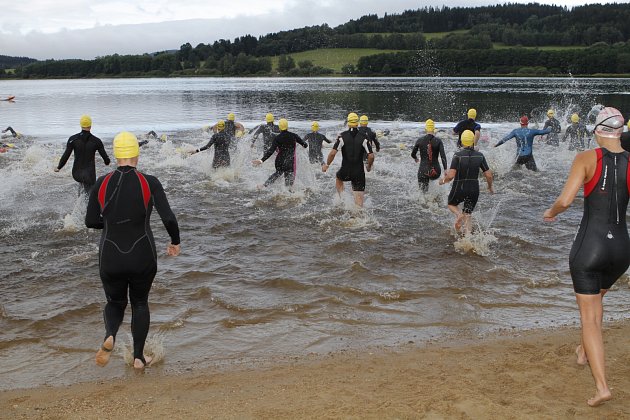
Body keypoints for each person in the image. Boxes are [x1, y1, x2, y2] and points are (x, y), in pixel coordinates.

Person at [543, 107, 628, 407]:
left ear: (597, 130)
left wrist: (550, 212)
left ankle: (602, 386)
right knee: (596, 299)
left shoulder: (585, 158)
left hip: (589, 249)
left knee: (590, 318)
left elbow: (565, 200)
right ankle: (582, 351)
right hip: (621, 251)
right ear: (620, 130)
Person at [85, 131, 180, 370]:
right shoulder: (150, 182)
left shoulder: (102, 183)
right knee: (139, 303)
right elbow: (168, 217)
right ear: (136, 153)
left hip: (110, 254)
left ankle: (110, 335)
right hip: (142, 253)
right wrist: (174, 241)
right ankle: (138, 358)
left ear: (116, 155)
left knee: (115, 302)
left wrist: (110, 224)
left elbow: (90, 221)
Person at [440, 130, 493, 234]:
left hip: (460, 187)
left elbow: (450, 176)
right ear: (473, 141)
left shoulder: (457, 155)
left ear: (462, 141)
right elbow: (489, 175)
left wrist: (442, 181)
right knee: (468, 214)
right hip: (474, 189)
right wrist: (490, 187)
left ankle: (458, 214)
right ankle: (468, 239)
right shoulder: (480, 155)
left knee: (451, 204)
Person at [322, 113, 374, 207]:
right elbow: (371, 156)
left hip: (345, 170)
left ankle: (343, 200)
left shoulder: (342, 136)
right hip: (359, 172)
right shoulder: (364, 137)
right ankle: (357, 219)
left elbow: (333, 153)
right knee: (359, 204)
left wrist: (327, 165)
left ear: (348, 123)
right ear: (357, 123)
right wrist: (369, 166)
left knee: (338, 177)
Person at [54, 115, 110, 195]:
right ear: (90, 125)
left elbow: (66, 155)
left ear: (81, 125)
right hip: (89, 175)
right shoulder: (96, 141)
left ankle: (79, 203)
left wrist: (59, 167)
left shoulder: (73, 139)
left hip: (76, 173)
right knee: (90, 195)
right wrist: (107, 162)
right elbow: (106, 159)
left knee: (82, 187)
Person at [252, 118, 307, 188]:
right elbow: (305, 145)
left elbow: (271, 151)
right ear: (287, 127)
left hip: (280, 161)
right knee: (288, 181)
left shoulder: (277, 138)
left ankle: (264, 185)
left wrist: (261, 160)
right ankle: (288, 193)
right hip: (290, 161)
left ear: (280, 128)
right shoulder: (294, 136)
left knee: (277, 173)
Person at [411, 119, 448, 192]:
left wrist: (416, 158)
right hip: (436, 171)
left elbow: (412, 154)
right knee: (432, 180)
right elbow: (443, 156)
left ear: (425, 129)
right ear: (434, 129)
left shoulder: (420, 140)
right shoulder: (438, 141)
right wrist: (445, 169)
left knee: (423, 192)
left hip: (423, 171)